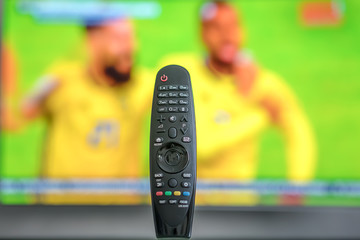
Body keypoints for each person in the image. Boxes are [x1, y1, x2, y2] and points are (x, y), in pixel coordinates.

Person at [159, 1, 316, 187]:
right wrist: (260, 115)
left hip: (240, 201)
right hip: (192, 201)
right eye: (217, 28)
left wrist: (297, 185)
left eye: (233, 26)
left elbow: (298, 129)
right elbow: (200, 148)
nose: (227, 36)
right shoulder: (182, 74)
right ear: (202, 34)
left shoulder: (261, 82)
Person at [2, 18, 153, 204]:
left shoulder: (142, 86)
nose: (130, 47)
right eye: (118, 39)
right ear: (92, 42)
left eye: (131, 37)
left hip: (118, 217)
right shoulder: (60, 82)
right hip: (59, 214)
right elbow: (14, 118)